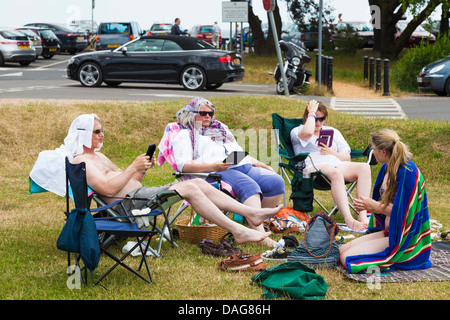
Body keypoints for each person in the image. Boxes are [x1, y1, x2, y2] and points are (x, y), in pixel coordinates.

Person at [171, 97, 285, 247]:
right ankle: (261, 236)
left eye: (211, 113)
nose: (208, 117)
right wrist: (214, 166)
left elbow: (237, 152)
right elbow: (183, 165)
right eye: (203, 113)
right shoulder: (185, 135)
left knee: (276, 182)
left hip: (239, 166)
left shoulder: (219, 128)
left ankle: (252, 223)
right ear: (191, 114)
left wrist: (258, 162)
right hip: (213, 173)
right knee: (250, 187)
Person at [339, 129, 431, 274]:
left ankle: (391, 259)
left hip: (403, 239)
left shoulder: (407, 172)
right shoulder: (386, 168)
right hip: (390, 231)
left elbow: (405, 214)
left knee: (345, 259)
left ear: (383, 152)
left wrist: (375, 206)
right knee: (341, 251)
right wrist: (373, 206)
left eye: (373, 149)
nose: (371, 152)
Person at [290, 100, 371, 231]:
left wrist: (331, 152)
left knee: (364, 167)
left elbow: (347, 157)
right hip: (313, 167)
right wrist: (311, 112)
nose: (318, 123)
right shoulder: (297, 131)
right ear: (307, 117)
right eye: (315, 118)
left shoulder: (333, 131)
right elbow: (308, 133)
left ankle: (362, 216)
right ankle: (349, 220)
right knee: (335, 172)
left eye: (321, 119)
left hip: (336, 164)